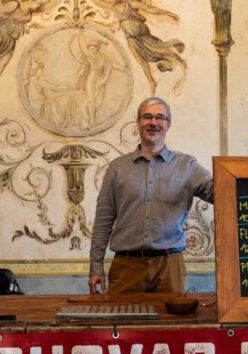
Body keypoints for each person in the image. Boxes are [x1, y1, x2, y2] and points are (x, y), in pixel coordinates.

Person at [89, 97, 213, 294]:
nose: (153, 122)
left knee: (170, 316)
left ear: (168, 124)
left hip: (169, 267)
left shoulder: (187, 166)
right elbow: (103, 220)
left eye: (160, 117)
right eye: (147, 117)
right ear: (138, 122)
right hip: (126, 268)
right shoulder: (117, 168)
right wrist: (96, 266)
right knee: (122, 315)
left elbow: (219, 193)